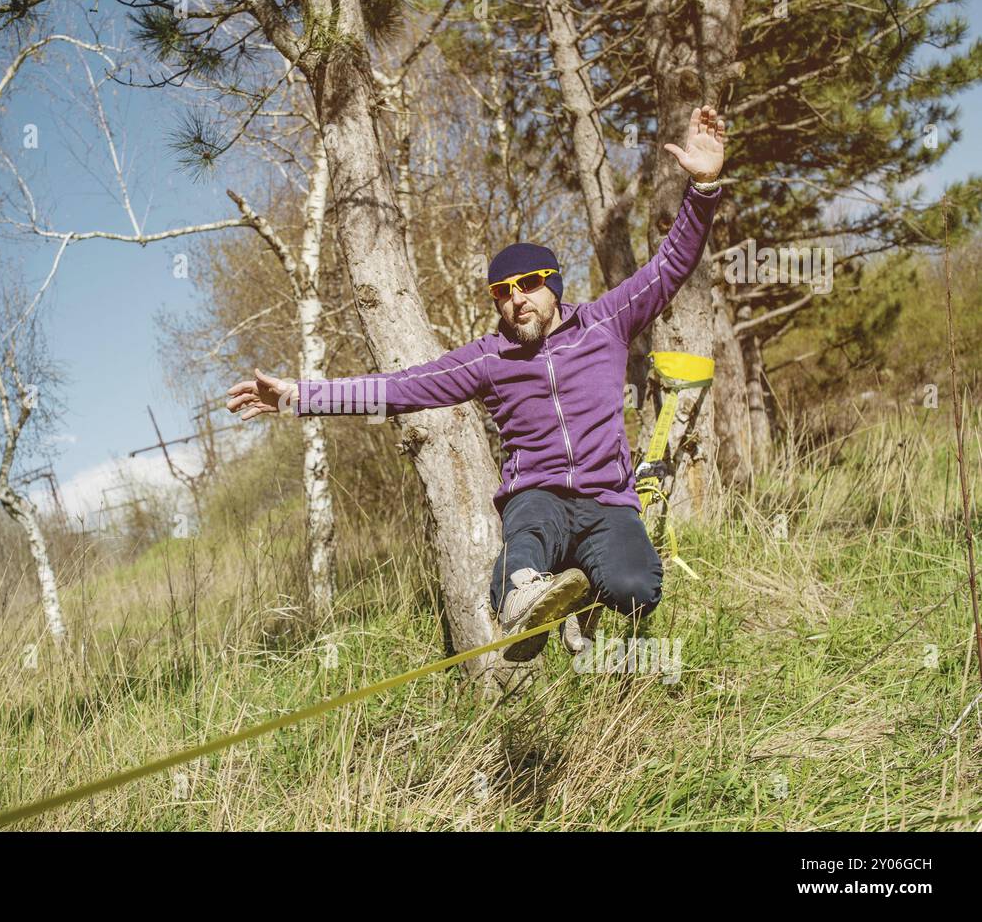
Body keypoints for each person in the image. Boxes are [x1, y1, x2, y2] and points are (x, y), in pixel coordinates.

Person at [227, 105, 727, 662]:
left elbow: (670, 266)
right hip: (537, 498)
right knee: (528, 535)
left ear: (553, 285)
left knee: (638, 591)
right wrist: (299, 397)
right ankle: (522, 599)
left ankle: (578, 601)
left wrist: (703, 186)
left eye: (530, 283)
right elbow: (397, 389)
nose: (517, 299)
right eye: (503, 292)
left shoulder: (606, 323)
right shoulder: (488, 358)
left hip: (608, 500)